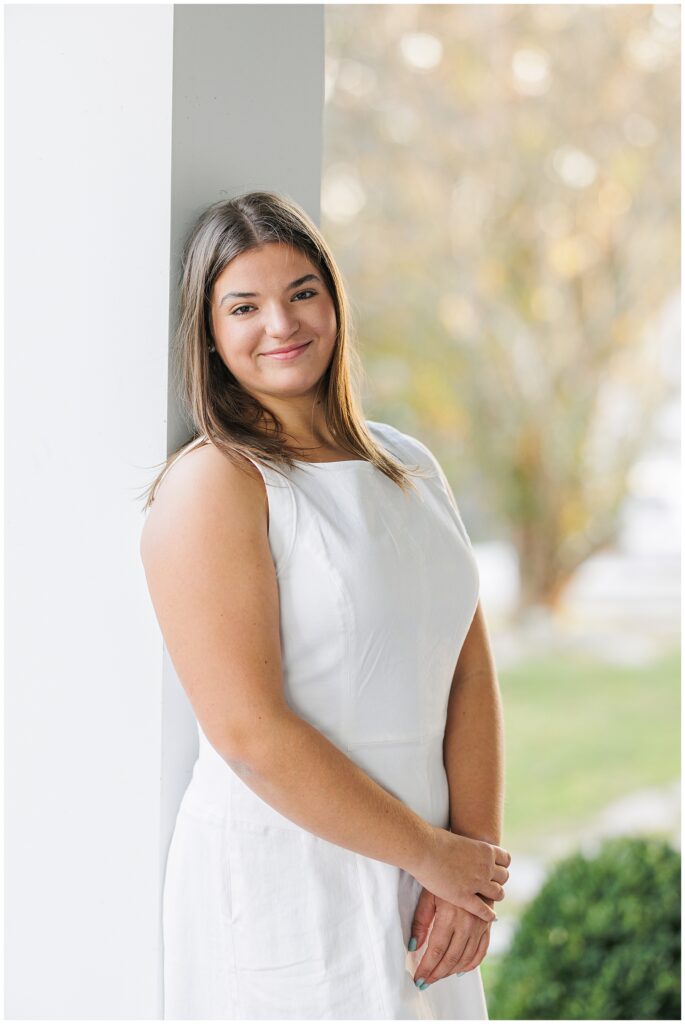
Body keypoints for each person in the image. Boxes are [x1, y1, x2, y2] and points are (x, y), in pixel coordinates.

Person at [139, 190, 510, 1020]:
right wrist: (434, 856)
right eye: (244, 306)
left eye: (302, 291)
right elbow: (248, 735)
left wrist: (470, 863)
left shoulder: (407, 464)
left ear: (333, 300)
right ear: (208, 332)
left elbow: (467, 670)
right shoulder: (215, 485)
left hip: (432, 880)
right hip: (289, 872)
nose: (282, 323)